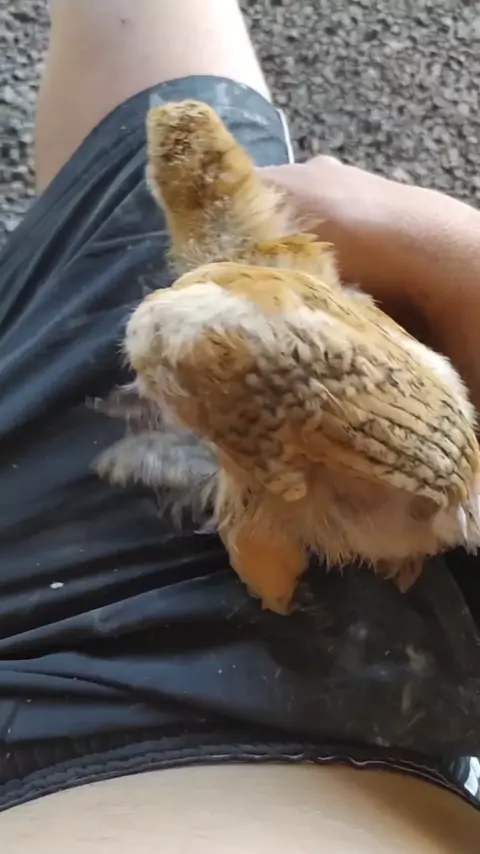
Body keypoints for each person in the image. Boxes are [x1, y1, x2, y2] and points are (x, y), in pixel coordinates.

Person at [0, 2, 479, 851]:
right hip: (377, 708)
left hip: (144, 681)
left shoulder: (217, 323)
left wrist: (454, 257)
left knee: (149, 143)